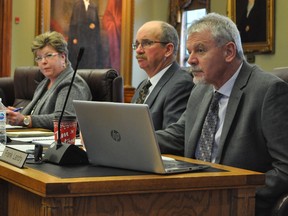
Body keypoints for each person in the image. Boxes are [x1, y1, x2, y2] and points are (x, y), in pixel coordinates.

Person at [156, 13, 288, 216]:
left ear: (228, 51)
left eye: (200, 50)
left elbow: (285, 167)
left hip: (237, 205)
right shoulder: (201, 89)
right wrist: (131, 139)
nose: (190, 60)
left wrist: (236, 196)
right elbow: (179, 134)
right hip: (191, 199)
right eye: (189, 51)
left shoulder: (268, 91)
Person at [6, 31, 92, 131]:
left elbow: (65, 119)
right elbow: (33, 115)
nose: (43, 62)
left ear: (63, 57)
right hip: (34, 137)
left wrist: (26, 120)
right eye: (39, 58)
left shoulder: (73, 83)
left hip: (57, 143)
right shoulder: (44, 83)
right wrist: (15, 115)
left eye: (49, 55)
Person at [131, 21, 194, 130]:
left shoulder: (181, 84)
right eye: (136, 44)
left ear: (168, 50)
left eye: (146, 43)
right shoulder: (143, 85)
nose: (138, 50)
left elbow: (172, 138)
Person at [68, 0, 102, 69]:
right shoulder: (77, 5)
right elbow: (73, 23)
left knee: (90, 61)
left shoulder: (93, 6)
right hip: (80, 37)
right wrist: (74, 37)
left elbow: (97, 24)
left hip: (91, 39)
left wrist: (93, 26)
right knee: (79, 60)